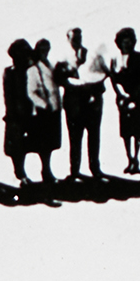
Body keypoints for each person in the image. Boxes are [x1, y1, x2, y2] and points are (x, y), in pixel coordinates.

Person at [59, 27, 108, 181]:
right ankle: (75, 170)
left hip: (92, 103)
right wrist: (71, 82)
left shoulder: (91, 55)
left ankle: (95, 168)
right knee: (75, 138)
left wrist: (94, 90)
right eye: (74, 38)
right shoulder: (63, 57)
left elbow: (103, 73)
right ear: (68, 39)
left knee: (94, 136)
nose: (77, 41)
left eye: (79, 37)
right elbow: (59, 78)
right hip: (73, 104)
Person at [106, 27, 140, 174]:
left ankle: (136, 157)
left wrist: (132, 95)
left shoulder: (139, 56)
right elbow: (113, 78)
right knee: (126, 131)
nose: (127, 44)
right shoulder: (115, 59)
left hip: (136, 97)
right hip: (122, 99)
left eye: (129, 41)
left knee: (138, 130)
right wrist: (121, 94)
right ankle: (129, 158)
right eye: (124, 41)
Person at [26, 36, 63, 185]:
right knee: (44, 144)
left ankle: (48, 170)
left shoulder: (51, 66)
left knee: (52, 142)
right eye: (42, 50)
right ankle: (45, 171)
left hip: (54, 108)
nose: (45, 52)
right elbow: (31, 92)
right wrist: (43, 104)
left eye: (47, 49)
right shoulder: (34, 70)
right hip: (43, 111)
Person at [2, 40, 36, 186]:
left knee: (27, 144)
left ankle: (24, 172)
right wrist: (11, 113)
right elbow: (8, 95)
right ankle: (19, 173)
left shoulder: (30, 70)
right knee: (16, 147)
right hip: (15, 114)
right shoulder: (10, 72)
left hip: (29, 112)